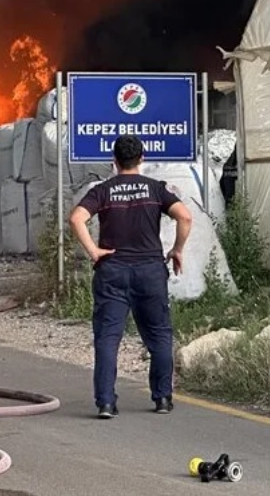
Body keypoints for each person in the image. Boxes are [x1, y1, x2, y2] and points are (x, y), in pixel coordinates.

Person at [68, 135, 193, 419]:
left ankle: (106, 403)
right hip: (149, 271)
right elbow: (185, 217)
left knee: (108, 337)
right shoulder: (156, 189)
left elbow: (76, 217)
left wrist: (94, 251)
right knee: (159, 335)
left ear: (114, 161)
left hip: (112, 270)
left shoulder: (103, 190)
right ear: (142, 158)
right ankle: (162, 399)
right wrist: (177, 250)